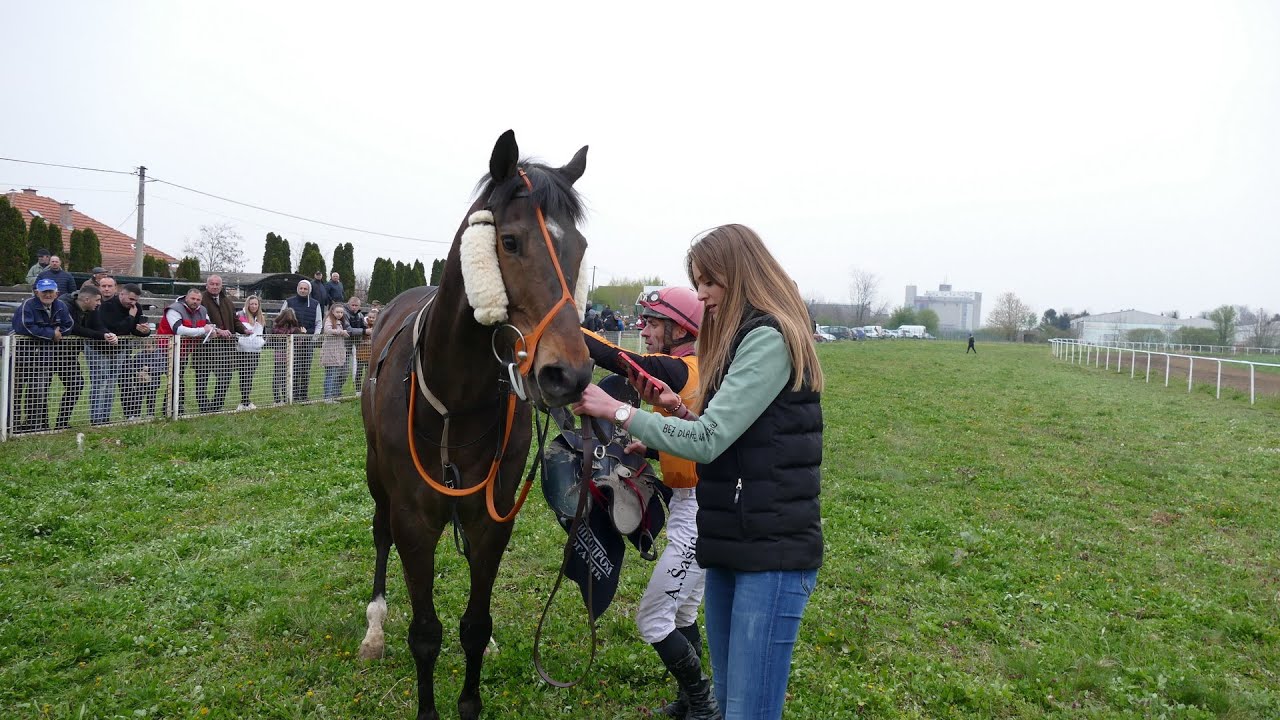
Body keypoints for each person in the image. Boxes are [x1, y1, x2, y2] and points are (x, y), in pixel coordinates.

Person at [574, 224, 824, 720]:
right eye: (698, 281)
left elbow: (711, 442)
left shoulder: (768, 338)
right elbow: (731, 434)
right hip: (734, 538)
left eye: (709, 281)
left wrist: (618, 411)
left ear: (740, 273)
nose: (702, 294)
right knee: (733, 707)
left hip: (770, 549)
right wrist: (677, 411)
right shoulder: (739, 341)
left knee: (748, 711)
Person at [582, 286, 711, 718]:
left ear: (679, 329)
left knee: (653, 619)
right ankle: (690, 702)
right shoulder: (694, 371)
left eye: (653, 323)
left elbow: (622, 361)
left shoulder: (683, 369)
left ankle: (706, 707)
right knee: (683, 615)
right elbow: (694, 439)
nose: (645, 330)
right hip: (689, 505)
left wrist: (560, 330)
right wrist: (653, 449)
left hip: (698, 515)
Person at [10, 278, 75, 432]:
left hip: (44, 358)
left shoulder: (61, 306)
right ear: (36, 292)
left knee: (38, 392)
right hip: (21, 356)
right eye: (44, 291)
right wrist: (51, 333)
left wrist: (54, 333)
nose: (47, 294)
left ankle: (33, 426)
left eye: (50, 291)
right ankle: (11, 425)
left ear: (56, 293)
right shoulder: (28, 305)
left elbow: (69, 325)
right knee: (14, 393)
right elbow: (24, 327)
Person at [157, 287, 216, 416]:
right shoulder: (174, 309)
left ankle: (174, 408)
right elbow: (178, 329)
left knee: (178, 379)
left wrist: (212, 331)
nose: (195, 301)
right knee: (172, 380)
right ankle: (170, 409)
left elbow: (208, 325)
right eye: (193, 298)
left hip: (183, 351)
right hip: (167, 349)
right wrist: (203, 330)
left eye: (198, 299)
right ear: (186, 297)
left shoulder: (202, 310)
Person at [100, 283, 154, 421]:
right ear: (121, 294)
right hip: (103, 350)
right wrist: (130, 317)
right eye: (130, 299)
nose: (133, 302)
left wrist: (145, 331)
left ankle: (131, 414)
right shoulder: (108, 306)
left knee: (127, 382)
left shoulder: (136, 308)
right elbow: (115, 329)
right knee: (104, 384)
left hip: (124, 351)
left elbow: (135, 331)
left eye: (136, 300)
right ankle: (100, 418)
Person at [65, 284, 114, 428]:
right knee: (42, 387)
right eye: (97, 300)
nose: (100, 303)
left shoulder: (93, 309)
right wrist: (101, 335)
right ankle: (38, 424)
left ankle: (61, 423)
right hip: (52, 352)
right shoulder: (65, 305)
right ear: (87, 299)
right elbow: (74, 328)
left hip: (71, 354)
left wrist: (108, 334)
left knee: (77, 383)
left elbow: (98, 325)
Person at [197, 275, 247, 413]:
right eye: (212, 284)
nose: (214, 286)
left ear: (221, 286)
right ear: (207, 285)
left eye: (217, 284)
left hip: (225, 346)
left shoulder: (227, 302)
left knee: (225, 375)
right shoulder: (200, 300)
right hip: (205, 346)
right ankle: (203, 406)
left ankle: (216, 405)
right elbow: (201, 320)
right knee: (202, 375)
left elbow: (235, 320)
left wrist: (244, 329)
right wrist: (218, 331)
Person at [284, 280, 323, 401]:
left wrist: (313, 337)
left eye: (305, 289)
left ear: (309, 290)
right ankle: (293, 395)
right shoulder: (289, 302)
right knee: (293, 368)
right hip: (293, 342)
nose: (303, 290)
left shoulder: (315, 304)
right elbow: (281, 320)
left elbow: (318, 323)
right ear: (298, 288)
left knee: (305, 369)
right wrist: (291, 333)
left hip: (308, 342)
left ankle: (304, 395)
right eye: (301, 288)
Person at [234, 295, 268, 410]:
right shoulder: (240, 315)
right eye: (251, 304)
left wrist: (262, 342)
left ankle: (246, 400)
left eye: (256, 304)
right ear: (247, 304)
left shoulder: (261, 318)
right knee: (244, 375)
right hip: (243, 351)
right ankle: (245, 401)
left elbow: (264, 333)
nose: (253, 306)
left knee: (250, 376)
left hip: (255, 351)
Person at [270, 307, 304, 405]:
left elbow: (272, 341)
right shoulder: (295, 330)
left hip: (278, 355)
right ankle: (285, 398)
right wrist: (302, 334)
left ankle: (277, 399)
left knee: (277, 377)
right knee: (286, 377)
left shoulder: (276, 328)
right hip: (289, 356)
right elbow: (298, 344)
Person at [320, 303, 349, 400]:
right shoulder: (329, 320)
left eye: (341, 312)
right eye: (337, 312)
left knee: (334, 375)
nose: (340, 314)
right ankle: (328, 397)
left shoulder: (339, 321)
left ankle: (332, 396)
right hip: (330, 352)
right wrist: (342, 332)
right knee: (330, 375)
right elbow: (328, 330)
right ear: (332, 311)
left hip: (336, 352)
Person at [345, 296, 370, 389]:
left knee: (359, 366)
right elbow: (349, 330)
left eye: (356, 305)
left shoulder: (360, 315)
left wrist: (368, 328)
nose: (354, 307)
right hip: (345, 343)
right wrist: (364, 331)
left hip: (358, 344)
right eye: (353, 305)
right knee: (344, 369)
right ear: (349, 304)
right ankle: (336, 393)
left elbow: (364, 327)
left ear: (360, 306)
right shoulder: (344, 314)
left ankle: (360, 389)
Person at [354, 306, 379, 396]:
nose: (371, 319)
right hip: (361, 353)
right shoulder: (363, 325)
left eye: (373, 318)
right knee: (359, 372)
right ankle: (357, 390)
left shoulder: (378, 326)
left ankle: (368, 389)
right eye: (370, 317)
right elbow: (360, 337)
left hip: (371, 354)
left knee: (369, 373)